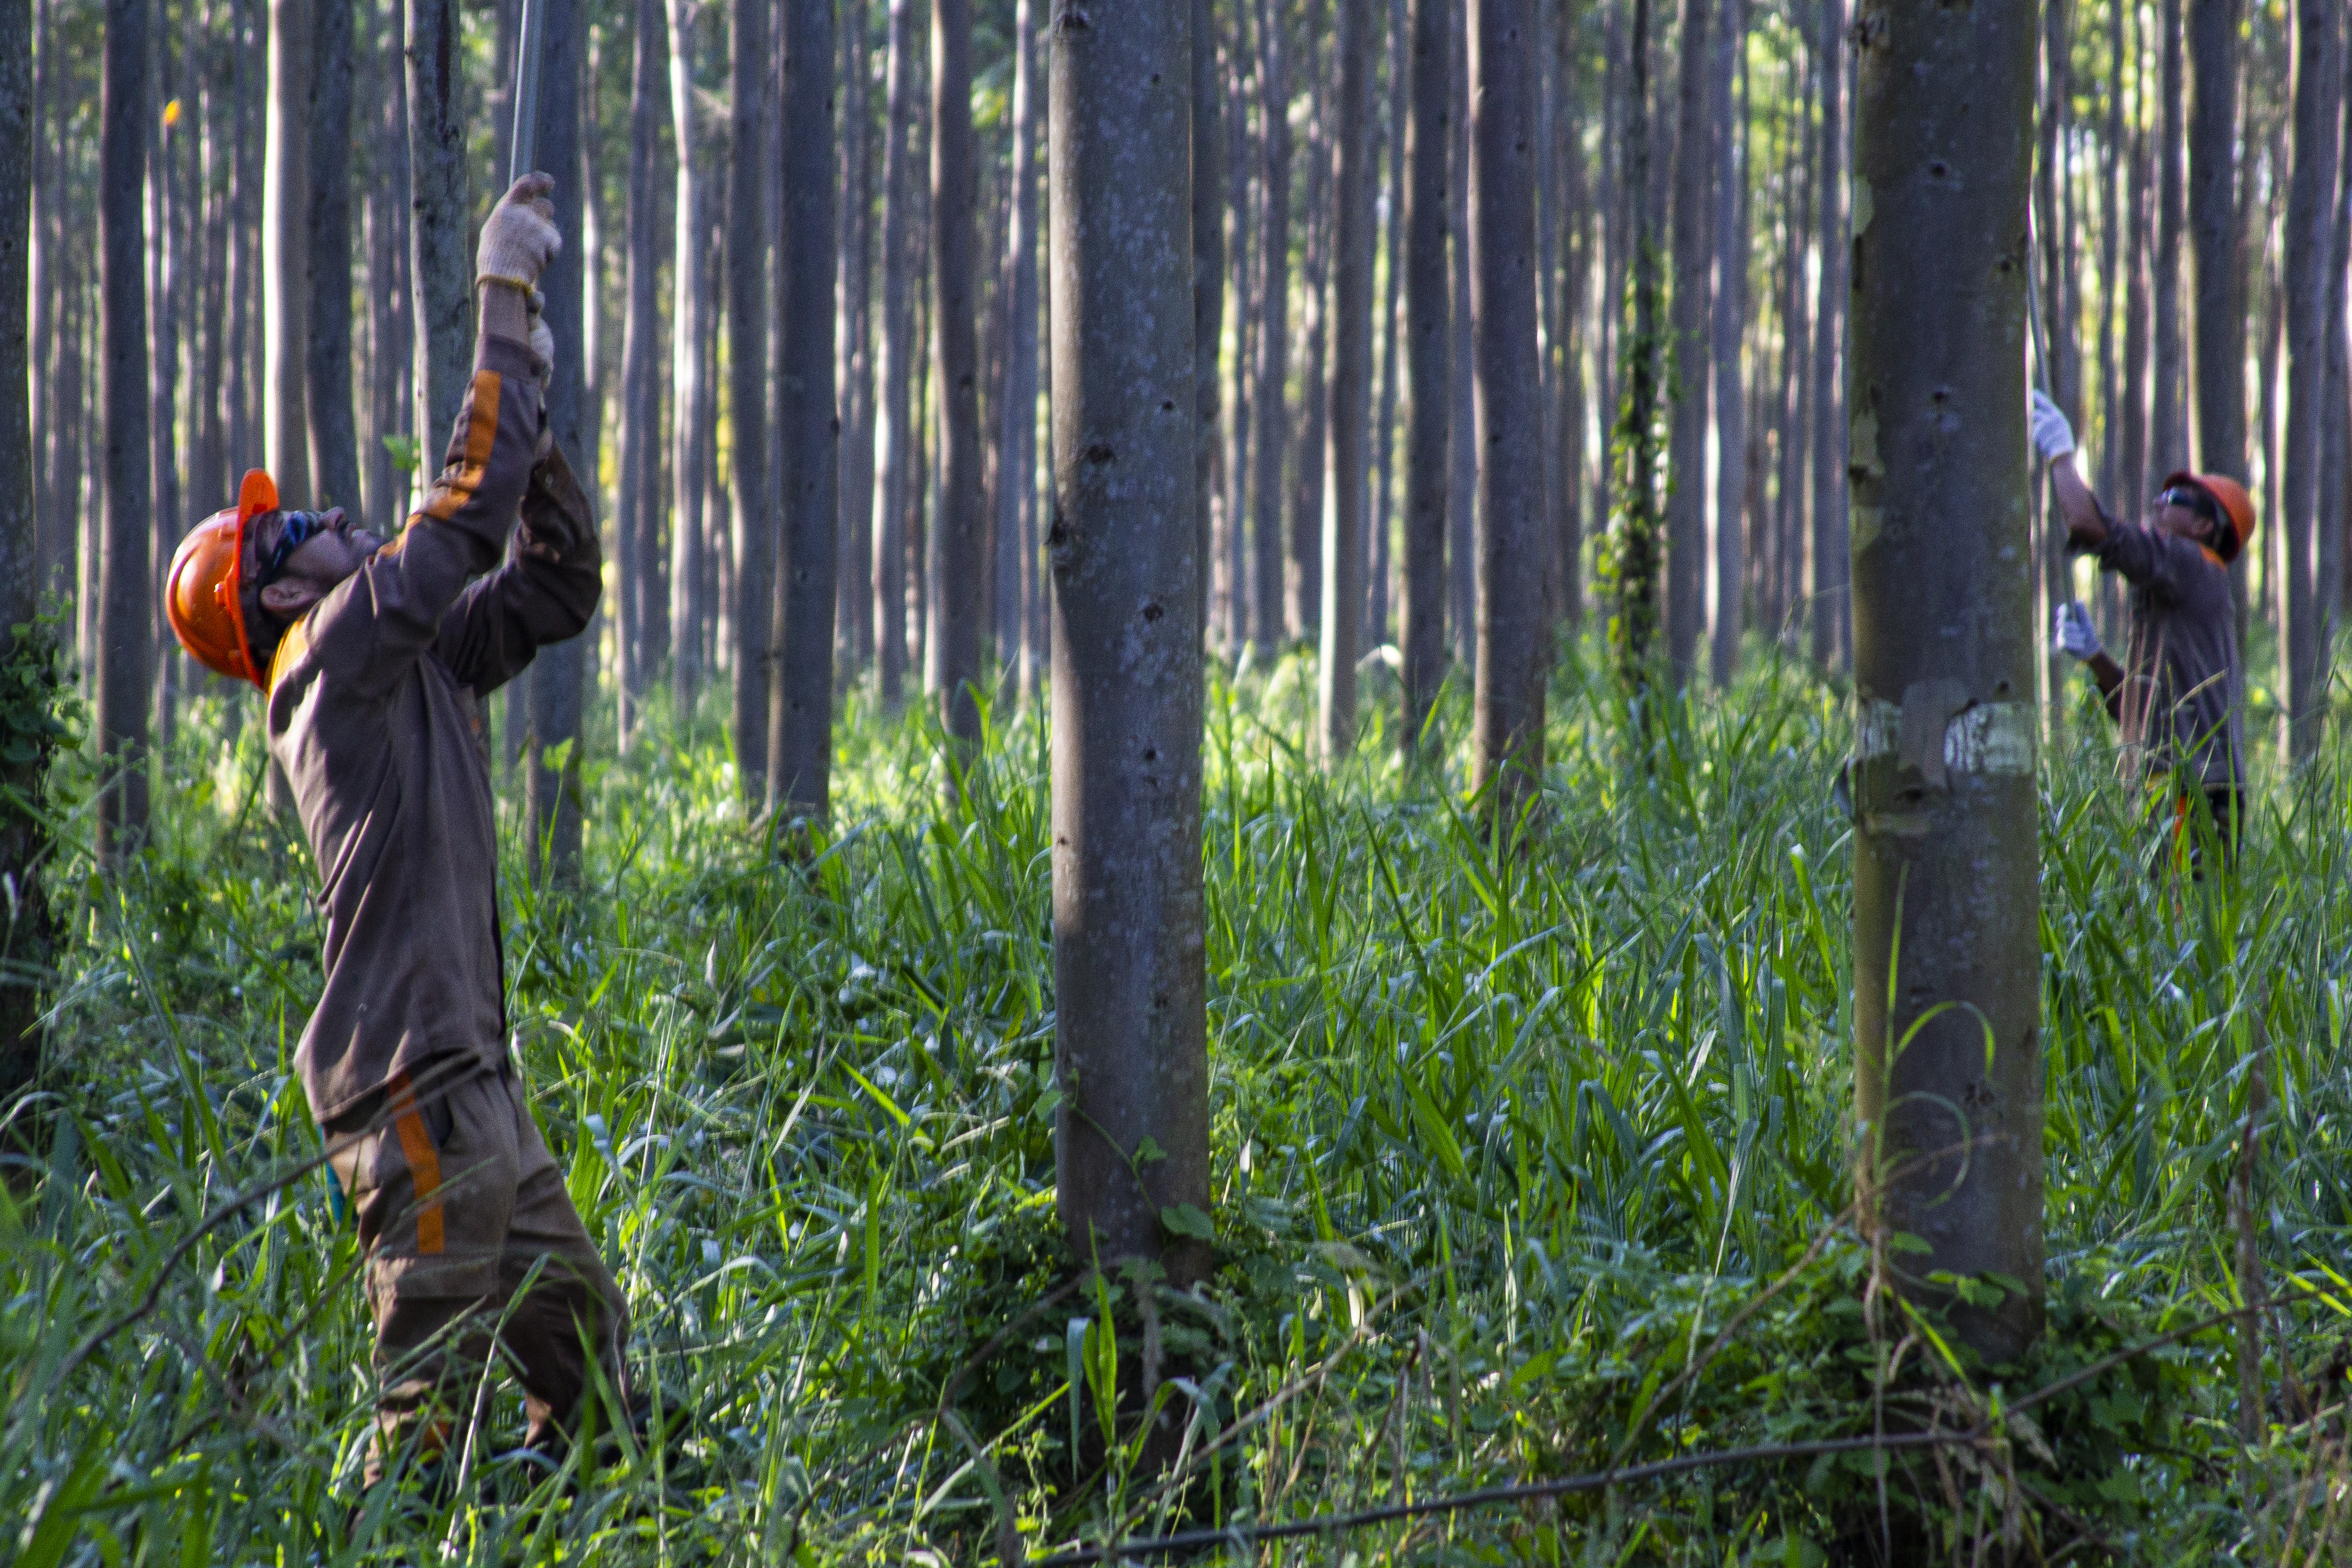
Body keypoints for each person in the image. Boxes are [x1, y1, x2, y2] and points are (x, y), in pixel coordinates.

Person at [162, 175, 629, 1497]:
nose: (326, 523)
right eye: (295, 534)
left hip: (479, 1086)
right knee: (421, 1430)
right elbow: (462, 516)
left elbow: (550, 581)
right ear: (274, 599)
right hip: (413, 1096)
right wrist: (502, 296)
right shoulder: (331, 657)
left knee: (594, 1377)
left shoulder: (403, 661)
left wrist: (531, 423)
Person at [2031, 388, 2255, 866]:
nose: (2157, 502)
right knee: (2164, 929)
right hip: (2169, 785)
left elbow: (2088, 526)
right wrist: (2093, 656)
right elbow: (2137, 714)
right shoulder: (2172, 591)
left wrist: (2059, 454)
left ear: (2201, 527)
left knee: (2177, 928)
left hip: (2190, 786)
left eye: (2174, 498)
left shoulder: (2191, 563)